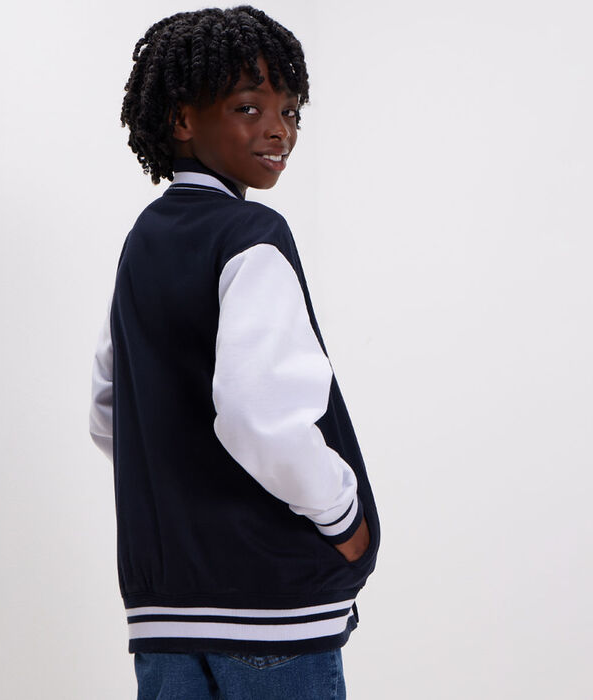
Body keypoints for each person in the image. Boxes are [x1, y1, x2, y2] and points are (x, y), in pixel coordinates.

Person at [89, 6, 381, 698]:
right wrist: (344, 518)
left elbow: (109, 411)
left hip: (166, 612)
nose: (279, 129)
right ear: (181, 119)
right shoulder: (251, 234)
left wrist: (178, 490)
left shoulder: (143, 241)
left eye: (290, 111)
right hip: (273, 605)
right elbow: (260, 417)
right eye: (249, 108)